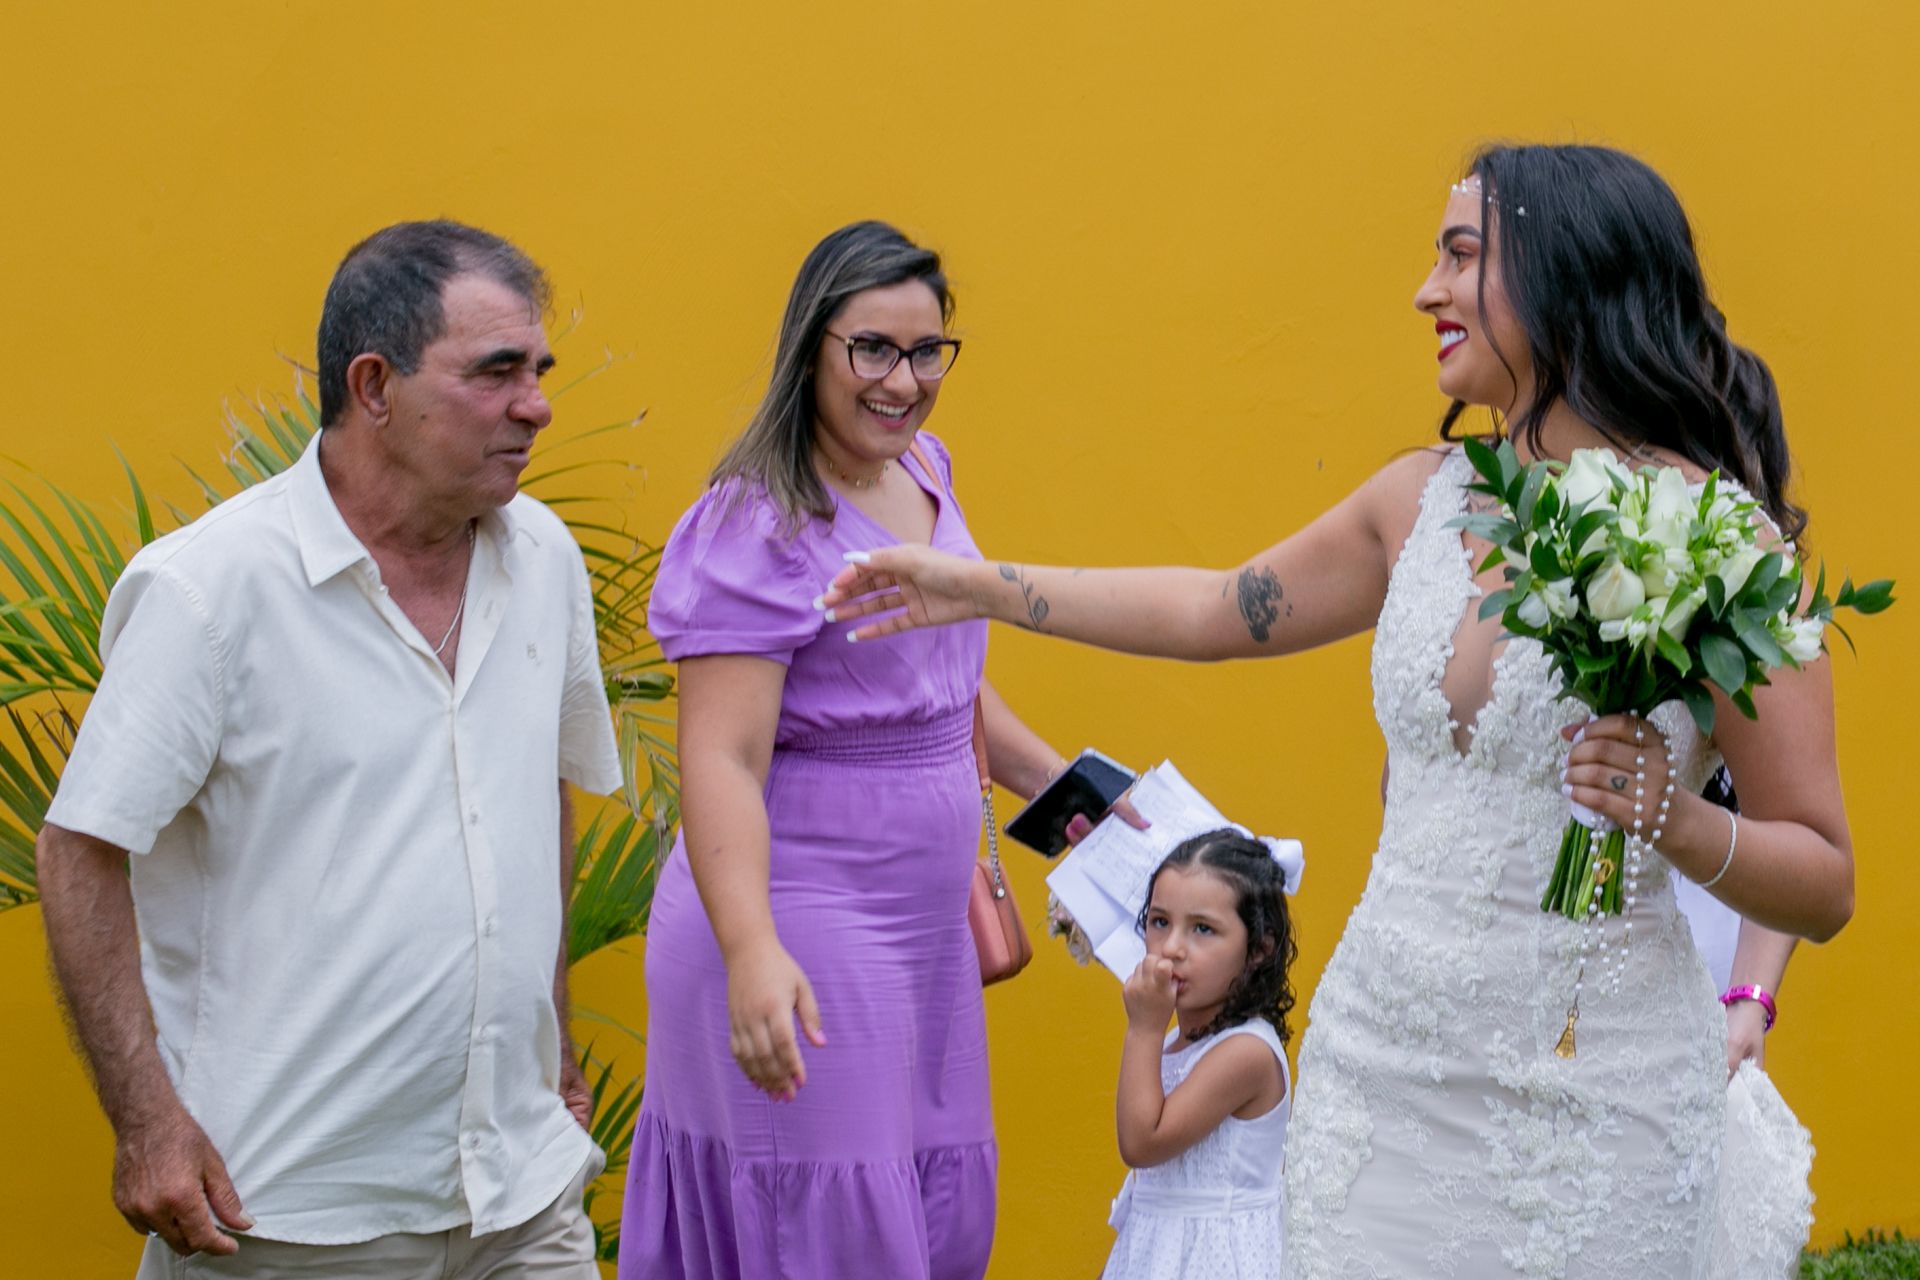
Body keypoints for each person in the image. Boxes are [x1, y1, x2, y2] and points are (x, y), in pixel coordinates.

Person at [819, 145, 1854, 1276]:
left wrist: (1682, 819)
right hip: (1381, 1073)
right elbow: (1216, 605)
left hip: (1593, 1094)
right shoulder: (1421, 499)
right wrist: (977, 586)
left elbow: (1823, 873)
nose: (1427, 289)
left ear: (1565, 275)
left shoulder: (1718, 543)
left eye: (1461, 255)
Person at [36, 221, 623, 1278]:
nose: (536, 403)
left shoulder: (544, 557)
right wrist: (148, 1122)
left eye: (538, 371)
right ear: (374, 384)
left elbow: (537, 794)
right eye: (497, 372)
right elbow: (79, 848)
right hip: (290, 1208)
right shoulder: (210, 592)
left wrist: (552, 1034)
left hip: (523, 1189)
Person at [618, 221, 1085, 1280]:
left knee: (926, 1210)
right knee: (825, 1225)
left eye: (929, 352)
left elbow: (945, 690)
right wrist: (751, 951)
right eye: (873, 348)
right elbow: (720, 759)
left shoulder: (925, 468)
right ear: (811, 348)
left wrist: (1088, 808)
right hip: (797, 920)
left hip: (921, 933)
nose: (905, 380)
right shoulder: (755, 521)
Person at [1103, 829, 1299, 1280]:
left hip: (1216, 1257)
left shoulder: (1246, 1052)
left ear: (1258, 950)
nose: (1172, 947)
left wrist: (1144, 1028)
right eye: (1159, 922)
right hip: (1157, 1248)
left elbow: (1142, 1143)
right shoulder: (1177, 1039)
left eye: (1203, 929)